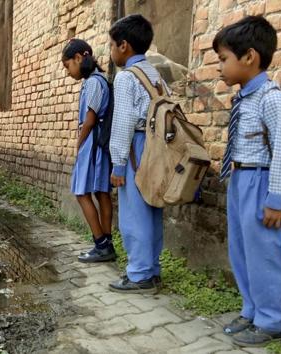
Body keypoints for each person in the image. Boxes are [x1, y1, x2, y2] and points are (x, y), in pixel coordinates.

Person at [213, 16, 281, 347]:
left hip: (261, 181)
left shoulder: (271, 98)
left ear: (249, 57)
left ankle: (271, 320)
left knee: (264, 252)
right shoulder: (244, 98)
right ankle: (250, 309)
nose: (219, 67)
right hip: (240, 179)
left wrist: (276, 200)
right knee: (241, 250)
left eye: (223, 59)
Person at [107, 14, 164, 294]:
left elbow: (123, 122)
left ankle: (139, 274)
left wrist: (118, 164)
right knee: (153, 209)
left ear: (124, 45)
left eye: (111, 45)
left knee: (134, 213)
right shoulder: (154, 74)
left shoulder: (126, 78)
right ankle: (152, 269)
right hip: (157, 148)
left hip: (136, 147)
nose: (111, 51)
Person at [61, 39, 115, 263]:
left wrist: (79, 143)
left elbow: (90, 119)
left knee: (81, 192)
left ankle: (100, 243)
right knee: (102, 193)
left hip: (92, 144)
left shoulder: (93, 82)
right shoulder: (101, 80)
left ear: (79, 58)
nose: (68, 72)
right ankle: (107, 245)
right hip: (100, 145)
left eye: (68, 66)